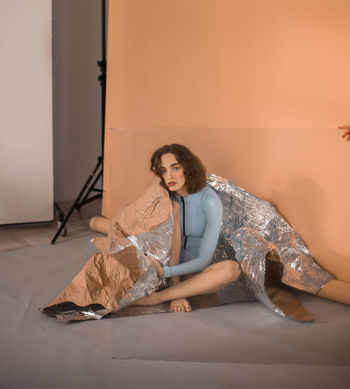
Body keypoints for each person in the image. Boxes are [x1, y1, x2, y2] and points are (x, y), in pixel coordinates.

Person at [134, 144, 241, 312]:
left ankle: (157, 298)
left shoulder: (209, 201)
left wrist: (167, 273)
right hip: (159, 265)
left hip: (193, 271)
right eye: (163, 170)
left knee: (231, 270)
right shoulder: (163, 197)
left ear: (188, 168)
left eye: (175, 168)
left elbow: (203, 260)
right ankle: (175, 291)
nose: (169, 176)